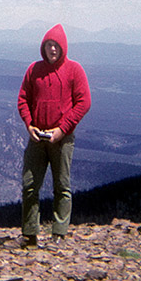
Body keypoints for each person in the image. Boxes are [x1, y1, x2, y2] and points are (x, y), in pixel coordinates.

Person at [17, 23, 91, 247]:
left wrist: (63, 129)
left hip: (62, 138)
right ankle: (30, 234)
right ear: (43, 47)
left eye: (56, 46)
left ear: (63, 47)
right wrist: (29, 125)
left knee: (61, 186)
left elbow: (84, 102)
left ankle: (58, 234)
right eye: (49, 45)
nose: (52, 50)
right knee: (30, 185)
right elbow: (23, 99)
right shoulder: (34, 70)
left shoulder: (74, 70)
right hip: (37, 136)